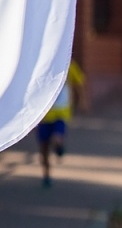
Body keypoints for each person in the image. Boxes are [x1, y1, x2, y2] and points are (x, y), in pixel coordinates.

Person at [36, 60, 86, 189]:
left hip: (61, 113)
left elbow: (79, 82)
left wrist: (82, 101)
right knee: (44, 148)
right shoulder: (41, 65)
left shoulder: (68, 65)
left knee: (57, 136)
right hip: (43, 116)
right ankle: (46, 175)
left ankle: (59, 146)